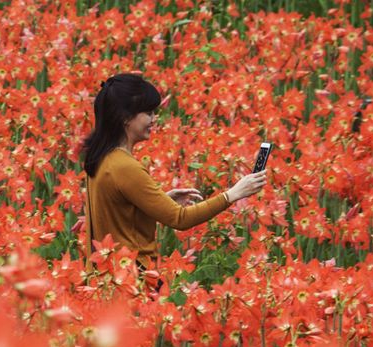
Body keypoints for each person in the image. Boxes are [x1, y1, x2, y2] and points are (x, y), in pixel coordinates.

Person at [82, 73, 266, 273]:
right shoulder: (125, 167)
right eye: (149, 113)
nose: (154, 119)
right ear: (126, 117)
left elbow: (116, 213)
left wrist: (159, 201)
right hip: (132, 279)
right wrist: (233, 194)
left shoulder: (101, 158)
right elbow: (180, 219)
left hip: (105, 276)